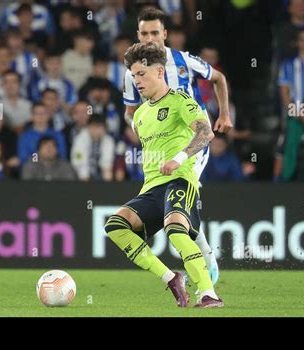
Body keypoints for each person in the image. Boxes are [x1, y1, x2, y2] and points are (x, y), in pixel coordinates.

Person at [105, 42, 223, 308]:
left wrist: (178, 158)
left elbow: (206, 133)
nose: (137, 81)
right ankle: (171, 278)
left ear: (160, 72)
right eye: (134, 75)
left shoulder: (181, 100)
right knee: (114, 225)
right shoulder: (142, 115)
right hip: (151, 190)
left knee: (175, 228)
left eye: (142, 74)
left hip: (180, 180)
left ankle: (209, 293)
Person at [123, 7, 231, 285]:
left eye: (155, 33)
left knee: (185, 183)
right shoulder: (132, 73)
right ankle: (201, 254)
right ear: (138, 35)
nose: (150, 38)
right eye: (144, 33)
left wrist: (224, 113)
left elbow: (218, 78)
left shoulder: (183, 60)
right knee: (172, 194)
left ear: (165, 34)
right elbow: (129, 110)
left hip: (192, 138)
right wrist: (138, 127)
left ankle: (206, 258)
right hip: (159, 143)